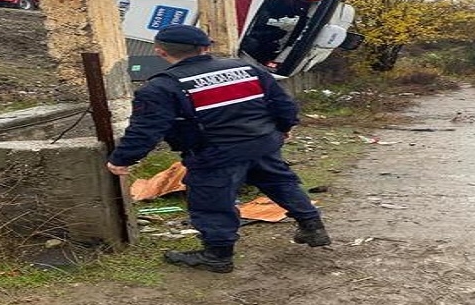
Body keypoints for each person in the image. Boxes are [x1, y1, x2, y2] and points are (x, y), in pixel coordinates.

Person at [106, 24, 330, 273]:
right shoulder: (244, 68)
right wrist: (285, 126)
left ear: (160, 52)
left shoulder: (161, 87)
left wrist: (122, 159)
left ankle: (217, 255)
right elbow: (281, 101)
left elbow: (146, 129)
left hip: (215, 154)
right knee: (280, 182)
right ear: (205, 47)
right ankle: (313, 227)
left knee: (211, 202)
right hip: (262, 142)